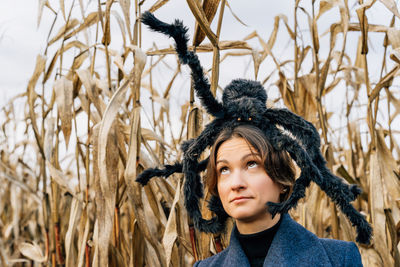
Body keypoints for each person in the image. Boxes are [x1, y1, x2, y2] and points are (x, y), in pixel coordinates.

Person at [193, 124, 363, 267]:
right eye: (224, 169)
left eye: (251, 164)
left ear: (281, 179)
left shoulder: (339, 258)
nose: (236, 183)